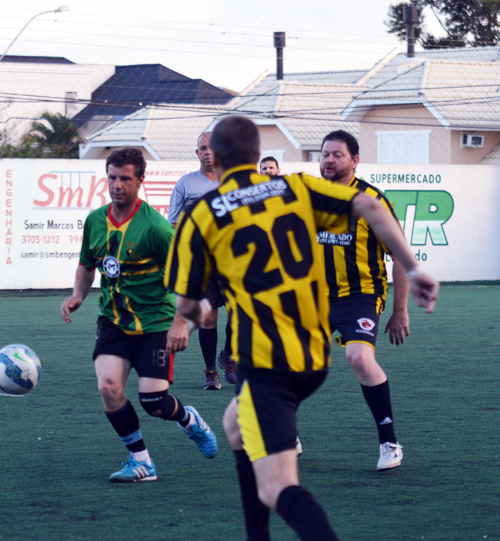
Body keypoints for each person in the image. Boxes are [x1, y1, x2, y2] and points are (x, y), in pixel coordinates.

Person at [165, 115, 439, 541]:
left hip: (268, 360)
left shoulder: (202, 214)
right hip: (311, 351)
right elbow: (367, 206)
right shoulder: (293, 187)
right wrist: (414, 267)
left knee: (279, 486)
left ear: (212, 158)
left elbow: (187, 301)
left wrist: (197, 314)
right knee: (236, 425)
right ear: (258, 157)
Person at [61, 146, 218, 483]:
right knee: (108, 387)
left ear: (141, 181)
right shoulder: (94, 221)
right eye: (112, 178)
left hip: (155, 324)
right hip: (113, 320)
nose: (118, 185)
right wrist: (78, 294)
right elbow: (87, 265)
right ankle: (141, 461)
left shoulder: (157, 229)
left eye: (125, 179)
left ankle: (189, 420)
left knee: (154, 401)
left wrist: (180, 323)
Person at [319, 130, 409, 471]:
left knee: (358, 357)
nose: (328, 160)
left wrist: (400, 310)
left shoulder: (373, 201)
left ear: (354, 161)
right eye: (325, 154)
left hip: (360, 295)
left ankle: (389, 443)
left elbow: (399, 256)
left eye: (337, 155)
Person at [167, 131, 237, 389]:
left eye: (212, 148)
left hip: (232, 261)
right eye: (203, 148)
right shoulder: (185, 184)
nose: (208, 152)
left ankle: (228, 356)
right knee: (208, 317)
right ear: (197, 153)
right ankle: (211, 372)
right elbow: (173, 223)